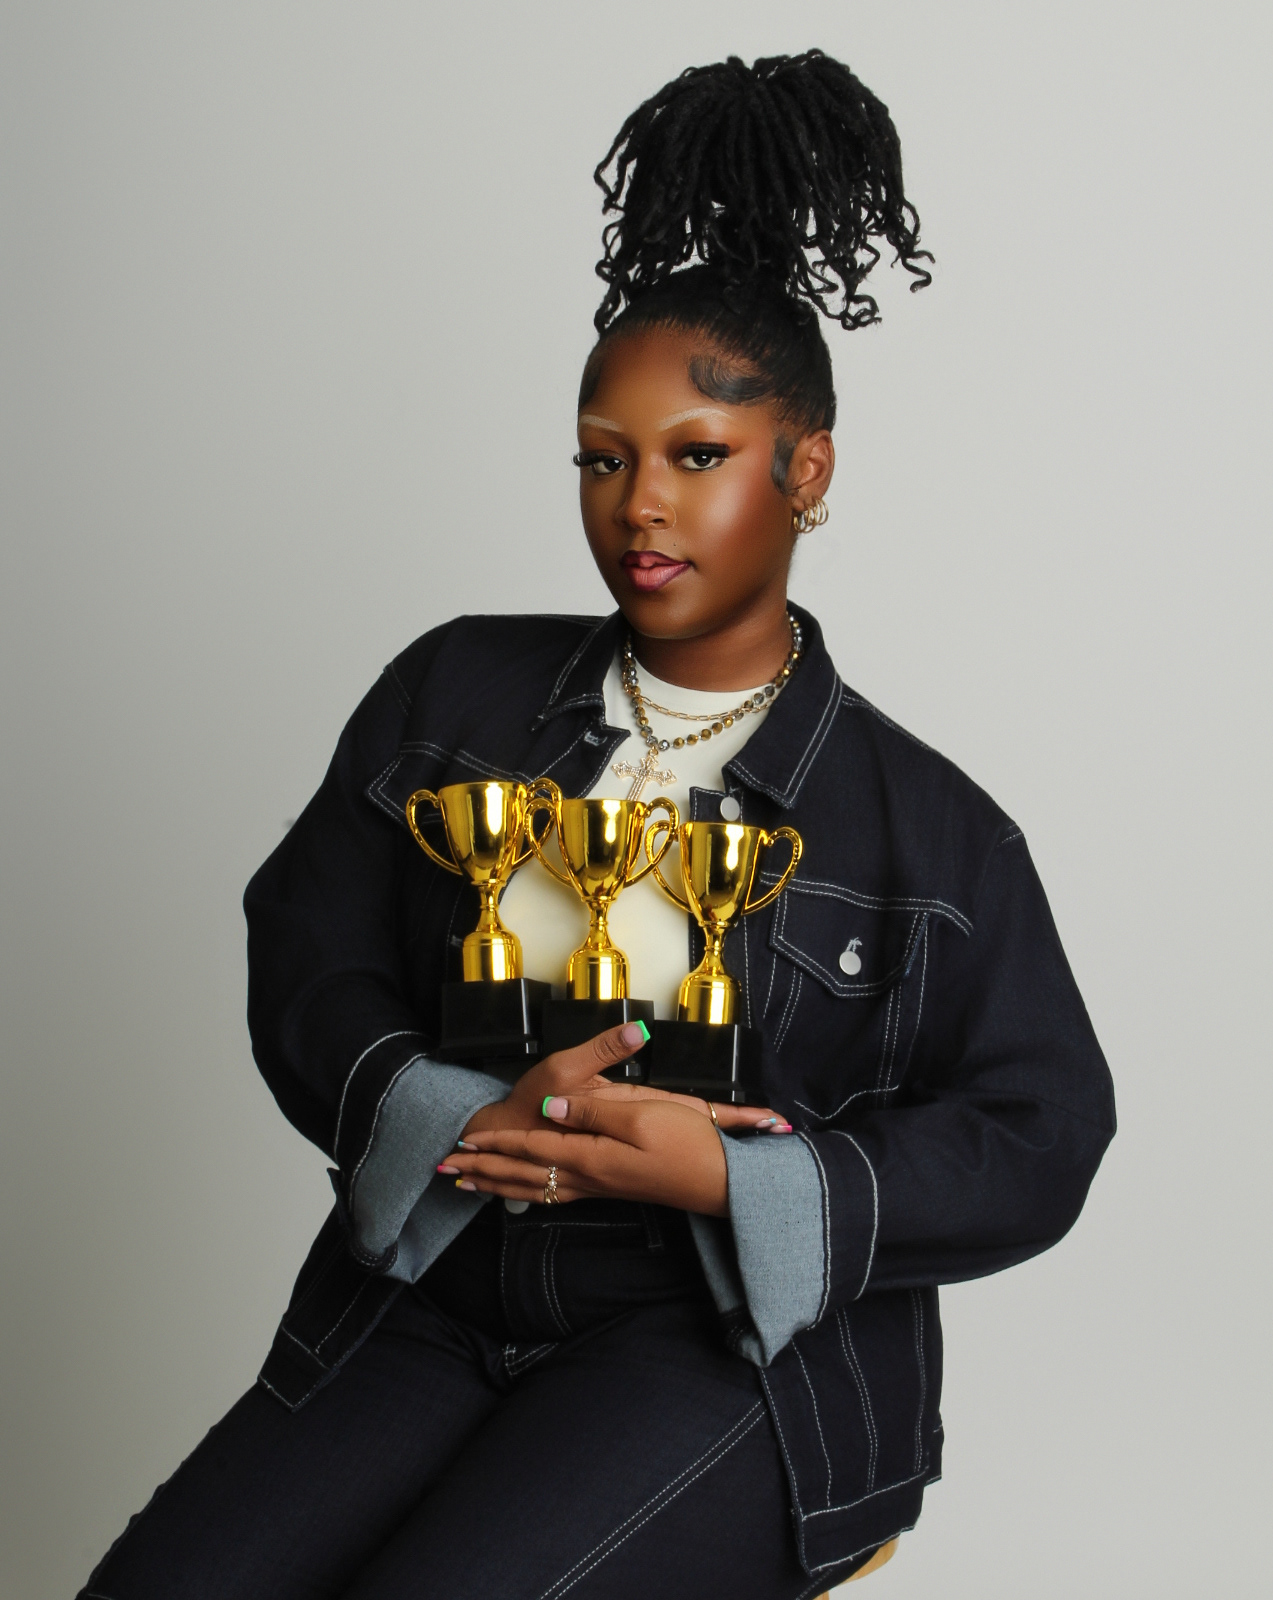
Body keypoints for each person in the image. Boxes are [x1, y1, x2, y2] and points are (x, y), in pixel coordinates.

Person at [79, 50, 1115, 1600]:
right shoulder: (452, 694)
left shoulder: (933, 831)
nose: (641, 505)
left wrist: (733, 1183)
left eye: (698, 457)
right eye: (604, 458)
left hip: (719, 1343)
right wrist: (447, 1113)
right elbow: (307, 943)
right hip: (435, 1285)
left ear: (806, 469)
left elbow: (1041, 1135)